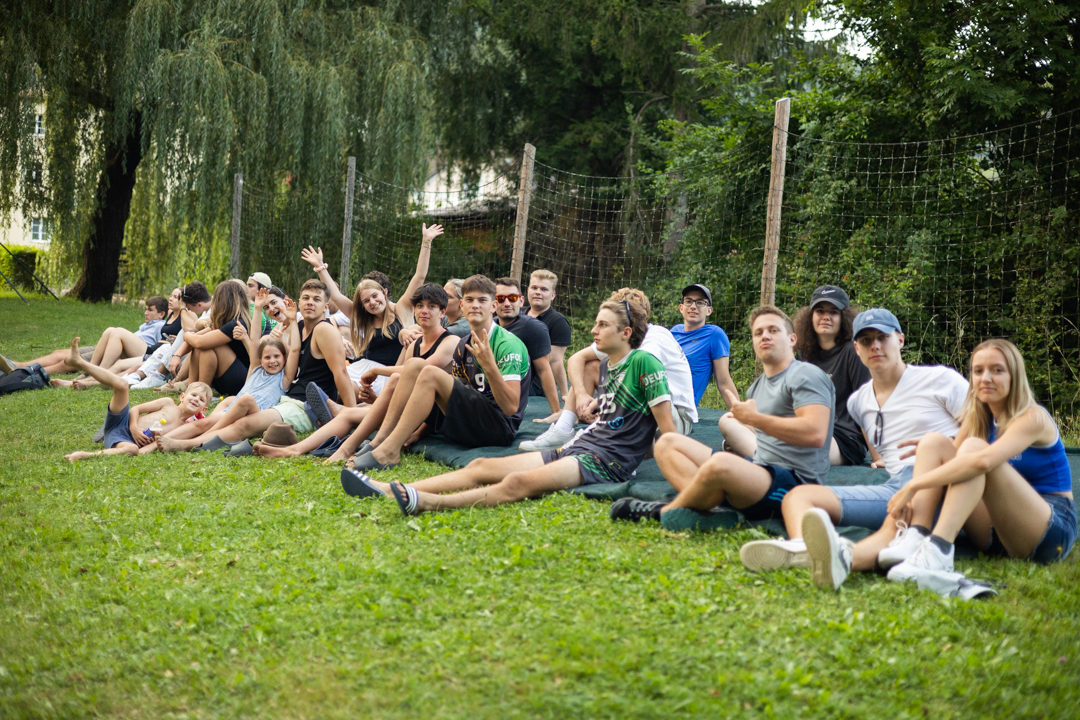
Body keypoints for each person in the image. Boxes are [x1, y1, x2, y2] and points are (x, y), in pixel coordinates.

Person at [341, 296, 677, 516]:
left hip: (603, 462)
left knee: (517, 484)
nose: (593, 329)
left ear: (626, 332)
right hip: (578, 448)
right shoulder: (608, 366)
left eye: (602, 325)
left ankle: (428, 503)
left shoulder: (645, 363)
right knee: (481, 466)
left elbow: (670, 436)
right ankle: (385, 490)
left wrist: (633, 453)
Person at [805, 339, 1076, 590]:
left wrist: (913, 485)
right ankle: (916, 535)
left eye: (997, 370)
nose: (986, 378)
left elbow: (981, 461)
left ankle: (939, 549)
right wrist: (929, 451)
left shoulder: (1033, 417)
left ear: (1014, 375)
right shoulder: (979, 418)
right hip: (996, 534)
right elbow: (949, 461)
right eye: (978, 371)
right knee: (933, 441)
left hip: (1048, 532)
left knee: (973, 450)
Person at [738, 308, 968, 579]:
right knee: (798, 496)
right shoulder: (859, 402)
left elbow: (983, 434)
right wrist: (879, 458)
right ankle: (807, 551)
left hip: (944, 480)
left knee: (895, 521)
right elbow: (876, 437)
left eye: (883, 337)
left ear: (900, 340)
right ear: (856, 348)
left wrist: (942, 447)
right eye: (866, 340)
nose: (875, 346)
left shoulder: (941, 379)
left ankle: (849, 558)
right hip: (894, 486)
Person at [611, 305, 835, 527]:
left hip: (793, 484)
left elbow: (815, 435)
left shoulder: (806, 374)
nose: (765, 336)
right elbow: (767, 434)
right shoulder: (757, 388)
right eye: (758, 332)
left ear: (792, 339)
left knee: (721, 462)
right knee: (667, 444)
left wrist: (755, 419)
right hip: (759, 470)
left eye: (773, 330)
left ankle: (664, 511)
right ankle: (708, 509)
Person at [348, 274, 532, 472]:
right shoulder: (464, 344)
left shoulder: (507, 344)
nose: (475, 305)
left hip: (498, 429)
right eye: (470, 300)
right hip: (468, 422)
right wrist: (418, 433)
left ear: (493, 306)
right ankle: (378, 443)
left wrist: (489, 366)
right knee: (413, 366)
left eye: (482, 300)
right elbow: (455, 396)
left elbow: (510, 408)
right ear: (461, 305)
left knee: (429, 372)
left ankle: (389, 451)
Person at [254, 283, 457, 460]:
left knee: (381, 387)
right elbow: (405, 387)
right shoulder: (414, 344)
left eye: (431, 307)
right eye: (420, 306)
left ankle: (351, 421)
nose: (424, 311)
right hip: (408, 405)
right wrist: (376, 399)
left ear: (443, 312)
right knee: (362, 405)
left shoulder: (450, 341)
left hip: (429, 415)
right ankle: (295, 449)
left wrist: (377, 371)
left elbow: (420, 372)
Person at [157, 280, 354, 453]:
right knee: (222, 418)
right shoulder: (300, 327)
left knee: (243, 424)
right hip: (286, 399)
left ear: (326, 306)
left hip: (303, 405)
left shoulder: (324, 329)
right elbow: (261, 344)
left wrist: (350, 415)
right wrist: (261, 310)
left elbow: (341, 373)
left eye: (316, 299)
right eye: (306, 298)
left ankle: (184, 444)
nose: (310, 302)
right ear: (298, 302)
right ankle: (161, 439)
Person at [522, 288, 696, 449]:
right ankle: (563, 428)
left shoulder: (656, 336)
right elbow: (576, 359)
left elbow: (636, 378)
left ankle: (595, 434)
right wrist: (581, 396)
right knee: (590, 366)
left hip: (674, 417)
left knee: (637, 383)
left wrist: (600, 402)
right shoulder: (619, 335)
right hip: (637, 409)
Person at [719, 285, 872, 466]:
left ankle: (753, 453)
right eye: (820, 311)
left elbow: (866, 405)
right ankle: (760, 454)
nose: (826, 317)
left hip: (840, 439)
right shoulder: (804, 353)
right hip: (800, 428)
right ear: (810, 316)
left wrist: (878, 456)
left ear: (844, 317)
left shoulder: (853, 352)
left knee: (797, 442)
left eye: (833, 312)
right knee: (728, 421)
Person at [303, 224, 442, 399]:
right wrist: (320, 268)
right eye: (366, 301)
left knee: (344, 391)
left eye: (375, 296)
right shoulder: (364, 317)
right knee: (332, 383)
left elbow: (419, 276)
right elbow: (336, 296)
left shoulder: (402, 309)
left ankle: (337, 406)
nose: (372, 303)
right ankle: (326, 405)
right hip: (363, 369)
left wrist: (426, 242)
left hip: (389, 374)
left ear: (384, 292)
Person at [161, 307, 296, 452]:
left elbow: (294, 351)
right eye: (267, 357)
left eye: (277, 356)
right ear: (260, 359)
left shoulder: (285, 377)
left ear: (284, 358)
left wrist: (286, 332)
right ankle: (156, 442)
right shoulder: (256, 367)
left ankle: (206, 436)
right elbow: (254, 339)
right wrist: (258, 307)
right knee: (203, 423)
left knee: (246, 399)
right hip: (234, 409)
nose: (272, 361)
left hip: (254, 414)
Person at [60, 338, 211, 462]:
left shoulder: (184, 427)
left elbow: (166, 442)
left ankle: (84, 455)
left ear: (204, 409)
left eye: (201, 399)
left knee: (132, 450)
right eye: (193, 395)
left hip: (124, 440)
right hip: (123, 422)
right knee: (122, 385)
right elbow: (136, 409)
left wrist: (148, 446)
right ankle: (80, 362)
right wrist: (133, 428)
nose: (196, 400)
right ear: (182, 396)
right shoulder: (167, 403)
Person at [34, 296, 168, 380]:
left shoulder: (161, 326)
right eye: (146, 309)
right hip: (114, 346)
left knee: (68, 361)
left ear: (161, 314)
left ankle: (35, 373)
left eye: (150, 310)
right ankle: (25, 367)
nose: (145, 313)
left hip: (127, 354)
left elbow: (159, 348)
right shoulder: (146, 326)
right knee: (60, 353)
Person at [494, 277, 561, 416]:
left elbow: (544, 369)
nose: (507, 303)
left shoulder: (533, 328)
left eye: (512, 298)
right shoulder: (489, 326)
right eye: (500, 299)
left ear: (521, 301)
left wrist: (556, 411)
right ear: (494, 303)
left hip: (516, 395)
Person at [181, 280, 255, 397]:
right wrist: (178, 354)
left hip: (241, 380)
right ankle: (192, 388)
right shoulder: (229, 321)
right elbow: (198, 340)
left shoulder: (237, 323)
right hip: (228, 377)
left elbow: (199, 342)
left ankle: (201, 392)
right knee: (204, 346)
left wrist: (187, 335)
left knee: (207, 345)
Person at [670, 283, 737, 409]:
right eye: (688, 301)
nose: (693, 306)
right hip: (656, 396)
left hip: (678, 408)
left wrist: (742, 416)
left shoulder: (714, 335)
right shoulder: (674, 332)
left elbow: (724, 382)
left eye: (700, 302)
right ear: (681, 308)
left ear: (709, 310)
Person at [525, 269, 572, 399]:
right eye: (534, 288)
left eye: (544, 289)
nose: (538, 292)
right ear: (528, 290)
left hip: (537, 382)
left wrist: (565, 394)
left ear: (553, 295)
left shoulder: (558, 322)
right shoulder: (517, 314)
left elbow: (555, 360)